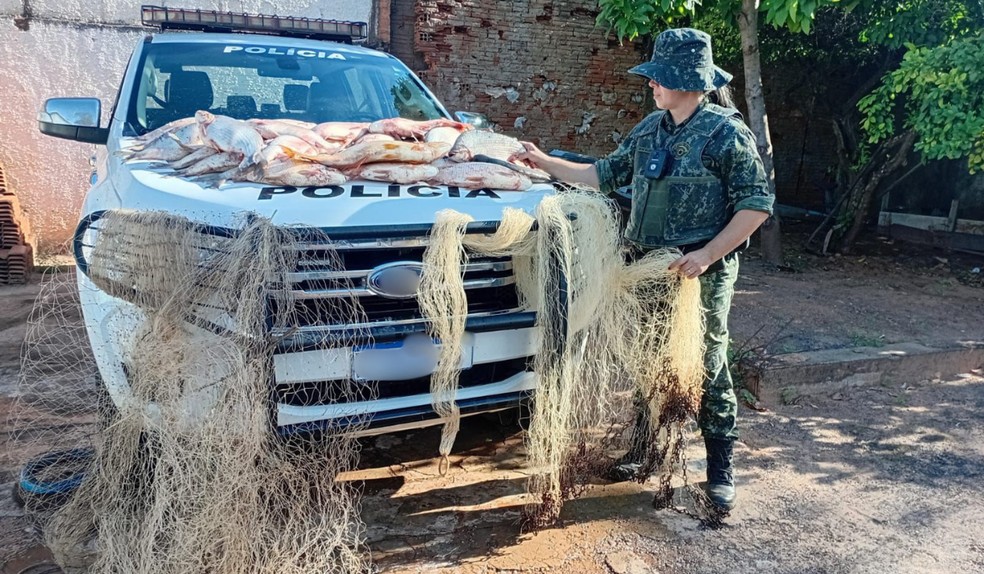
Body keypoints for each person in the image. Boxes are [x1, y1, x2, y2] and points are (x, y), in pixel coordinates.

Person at [514, 27, 774, 512]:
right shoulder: (649, 129)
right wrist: (544, 161)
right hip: (645, 268)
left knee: (707, 365)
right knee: (645, 359)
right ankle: (643, 450)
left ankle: (720, 469)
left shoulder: (725, 132)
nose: (651, 85)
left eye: (660, 78)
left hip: (699, 275)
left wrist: (707, 255)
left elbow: (755, 207)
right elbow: (602, 174)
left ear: (687, 81)